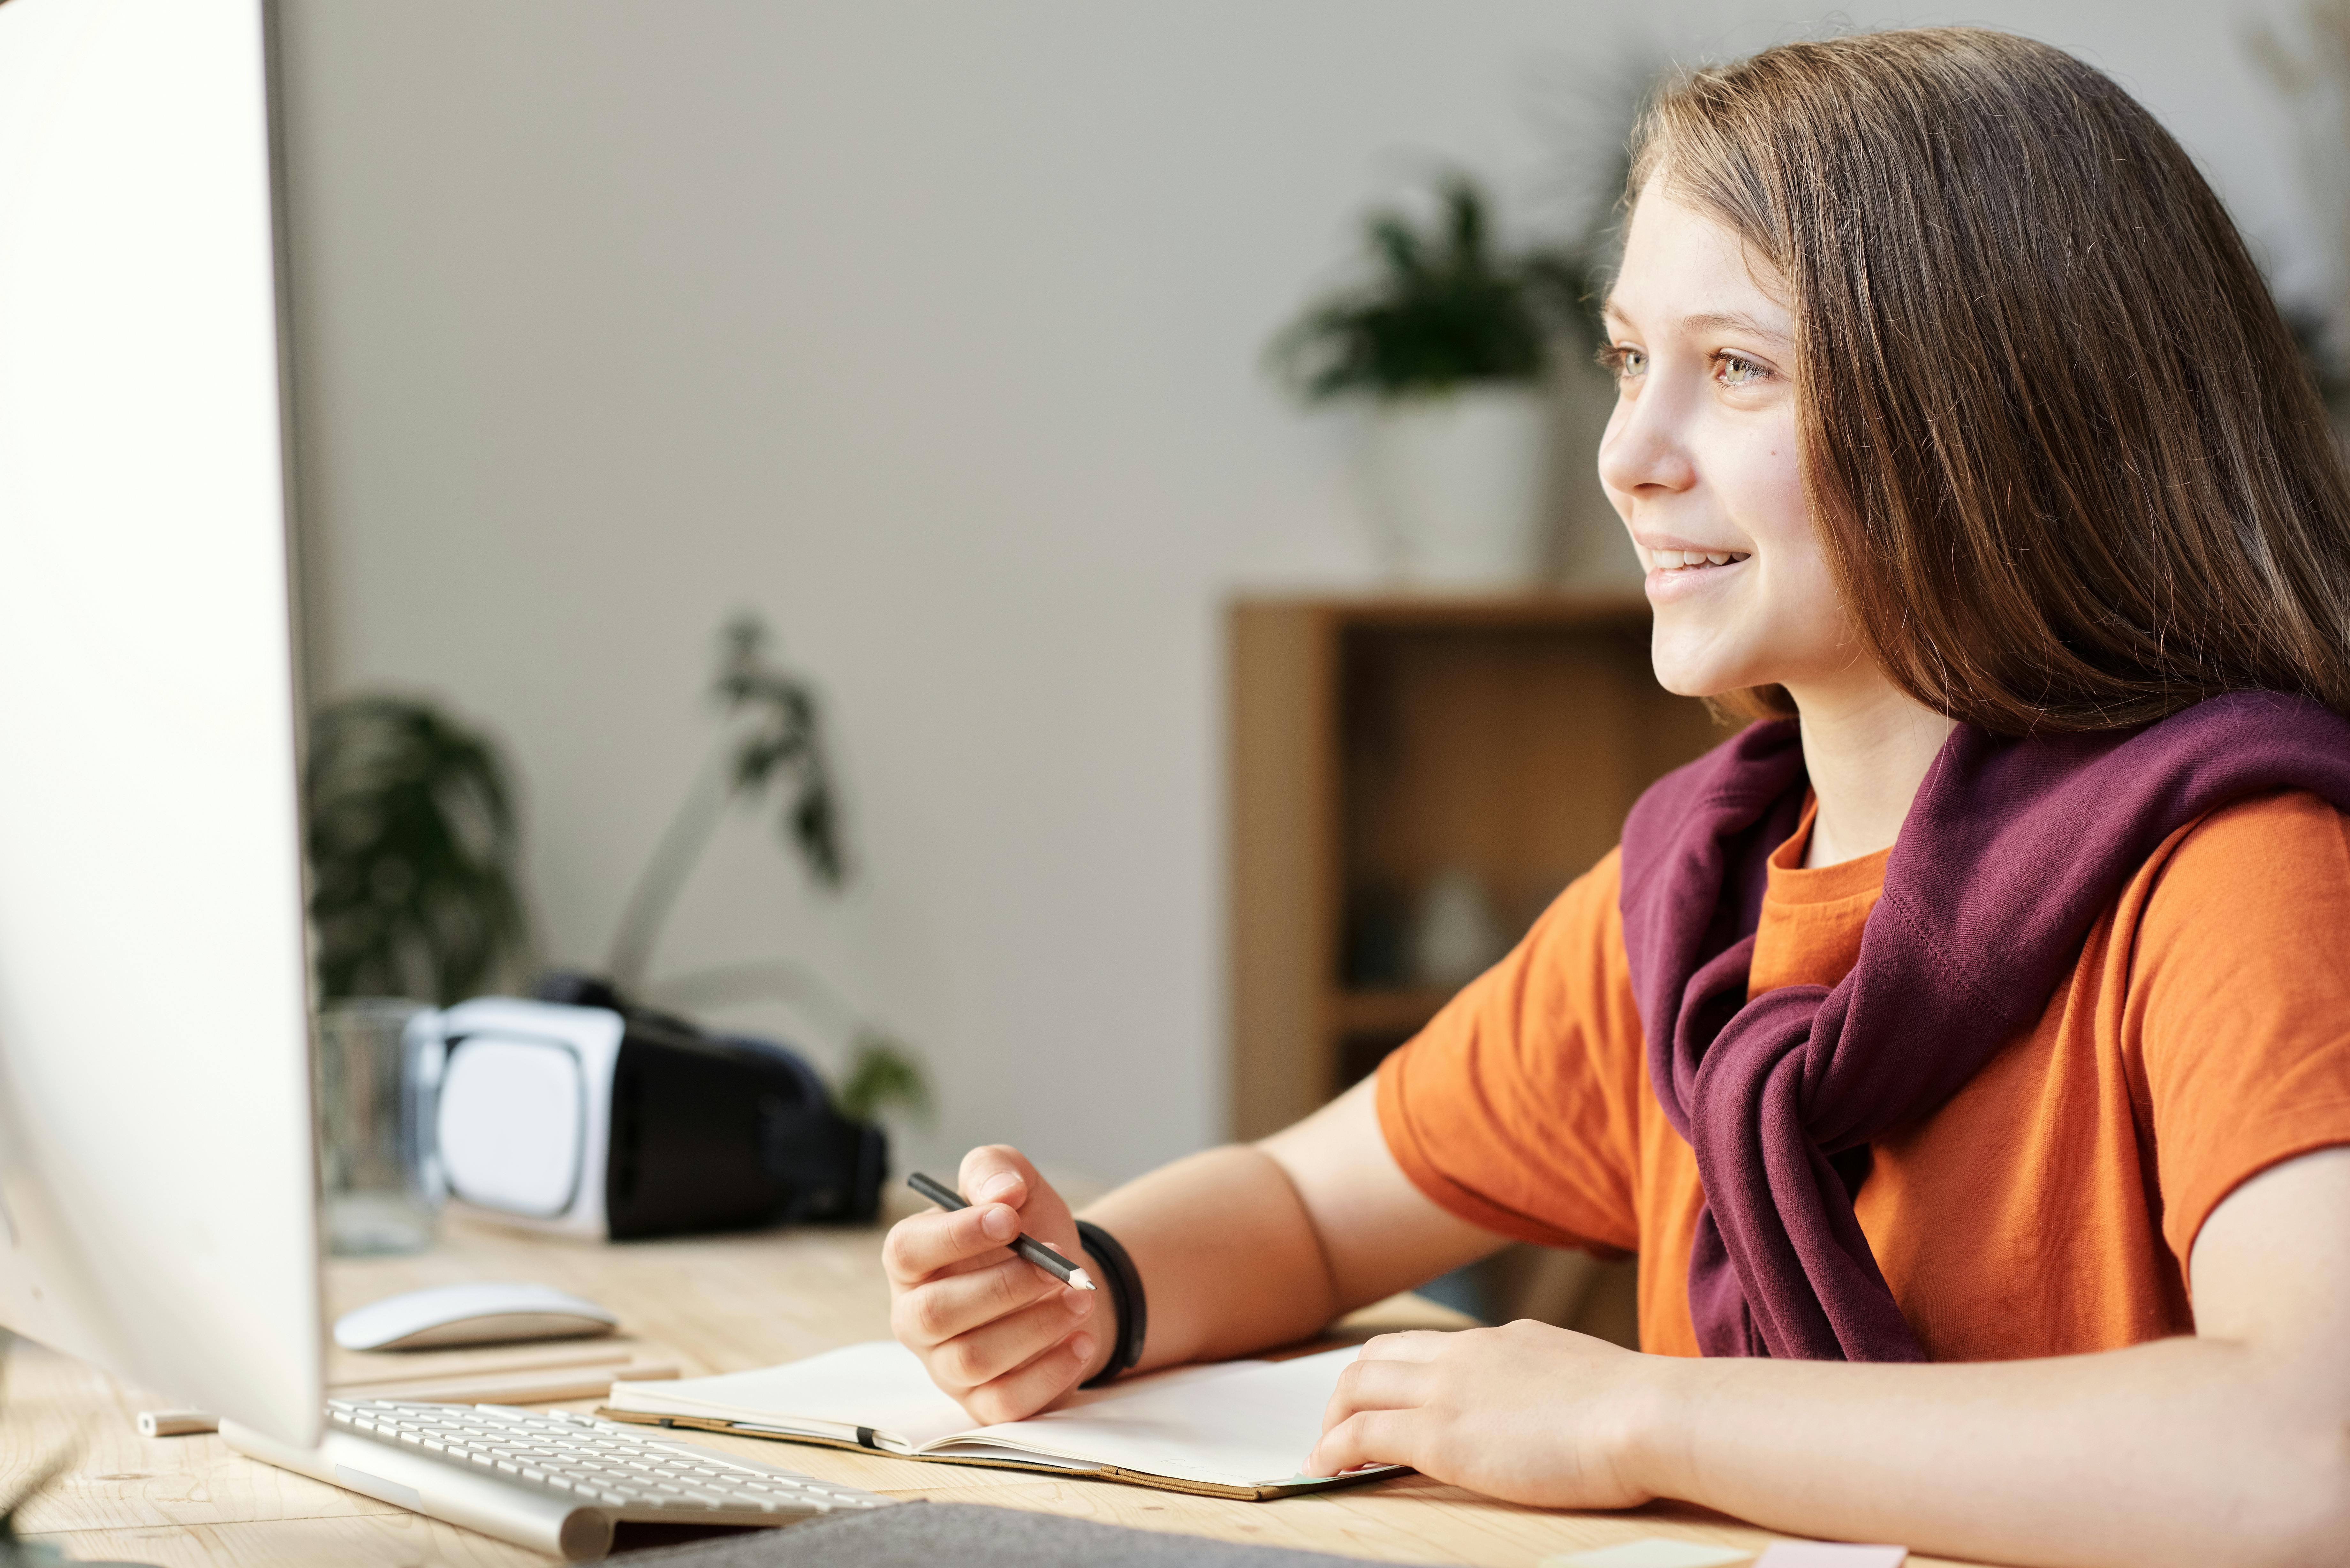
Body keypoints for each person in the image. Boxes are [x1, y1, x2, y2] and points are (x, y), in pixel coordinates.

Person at [883, 28, 2350, 1567]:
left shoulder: (2245, 874)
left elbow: (2308, 1453)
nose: (1629, 455)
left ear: (1995, 413)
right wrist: (1086, 1287)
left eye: (1735, 369)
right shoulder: (1695, 905)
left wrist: (1632, 1418)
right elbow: (1305, 1210)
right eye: (1627, 361)